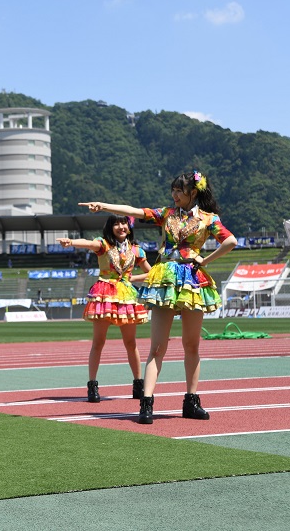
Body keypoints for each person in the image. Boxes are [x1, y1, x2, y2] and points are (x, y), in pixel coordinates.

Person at [80, 170, 237, 424]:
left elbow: (230, 241)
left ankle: (191, 401)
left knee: (191, 345)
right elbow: (135, 211)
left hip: (192, 281)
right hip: (164, 279)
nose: (174, 195)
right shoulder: (166, 214)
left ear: (193, 192)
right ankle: (146, 403)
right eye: (173, 190)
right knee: (157, 347)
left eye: (179, 191)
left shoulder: (209, 219)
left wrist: (204, 261)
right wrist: (104, 206)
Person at [57, 214, 151, 403]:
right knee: (98, 342)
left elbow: (151, 273)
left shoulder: (137, 250)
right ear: (110, 227)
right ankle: (92, 386)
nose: (121, 227)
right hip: (105, 294)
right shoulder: (103, 244)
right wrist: (71, 242)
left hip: (127, 297)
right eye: (116, 224)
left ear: (129, 227)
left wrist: (133, 278)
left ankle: (138, 384)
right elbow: (88, 244)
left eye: (124, 223)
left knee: (130, 343)